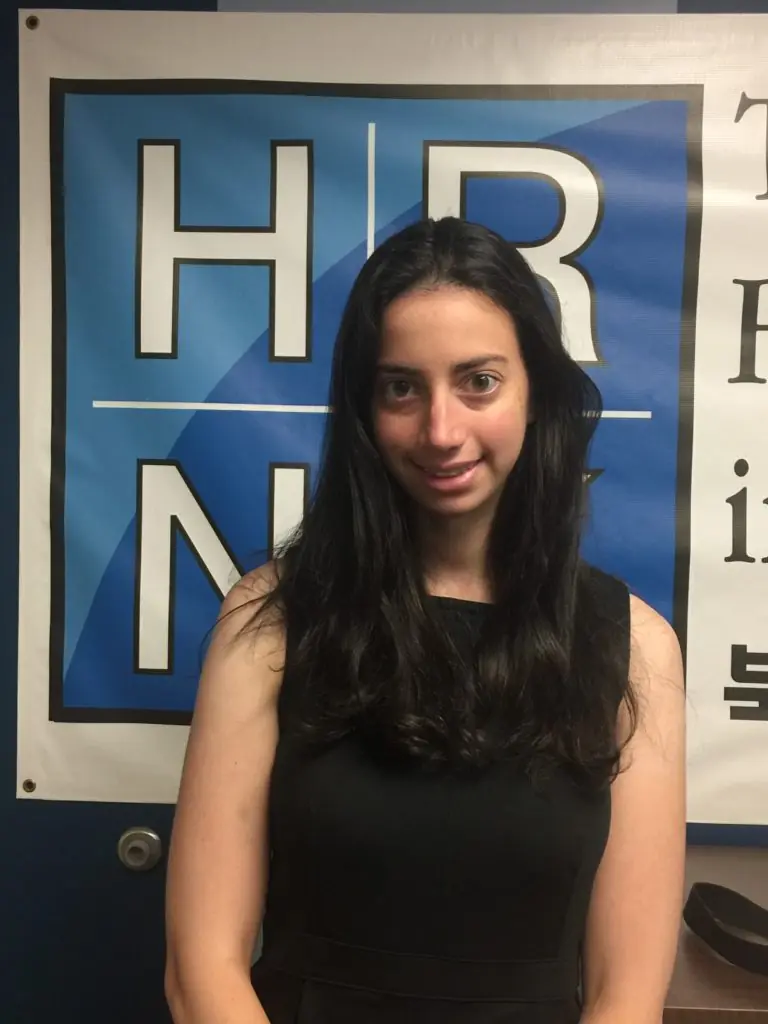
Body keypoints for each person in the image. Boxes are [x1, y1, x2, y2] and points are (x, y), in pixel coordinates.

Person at [164, 216, 686, 1024]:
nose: (441, 431)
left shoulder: (635, 647)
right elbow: (201, 970)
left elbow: (629, 997)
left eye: (479, 381)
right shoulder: (269, 623)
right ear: (365, 408)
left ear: (535, 394)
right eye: (402, 388)